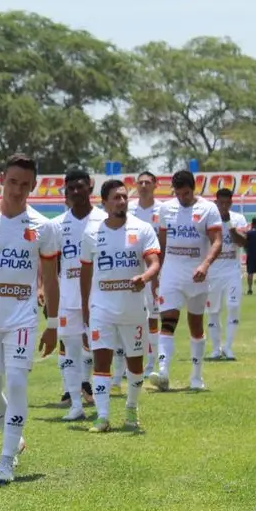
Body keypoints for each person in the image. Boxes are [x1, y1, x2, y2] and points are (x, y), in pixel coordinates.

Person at [0, 153, 59, 484]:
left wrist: (53, 324)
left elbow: (50, 277)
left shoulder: (42, 227)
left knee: (17, 382)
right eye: (13, 182)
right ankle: (15, 441)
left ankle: (5, 460)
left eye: (25, 185)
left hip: (22, 318)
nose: (18, 190)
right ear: (1, 179)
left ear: (34, 186)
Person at [79, 179, 161, 432]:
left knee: (135, 365)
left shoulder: (143, 228)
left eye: (124, 197)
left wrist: (144, 278)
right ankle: (102, 416)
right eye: (116, 197)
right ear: (104, 203)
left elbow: (155, 262)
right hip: (102, 308)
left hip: (134, 309)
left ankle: (131, 408)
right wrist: (85, 308)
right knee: (101, 360)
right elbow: (85, 273)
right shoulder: (92, 233)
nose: (122, 201)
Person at [149, 170, 223, 392]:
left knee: (196, 326)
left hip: (197, 275)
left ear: (195, 188)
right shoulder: (166, 209)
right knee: (168, 321)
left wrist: (205, 264)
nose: (183, 198)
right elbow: (161, 245)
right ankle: (163, 372)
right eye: (178, 193)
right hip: (172, 273)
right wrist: (155, 274)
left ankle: (196, 377)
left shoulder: (208, 209)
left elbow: (217, 241)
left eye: (187, 193)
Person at [52, 169, 107, 421]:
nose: (75, 191)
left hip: (100, 297)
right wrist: (50, 296)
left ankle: (101, 399)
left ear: (90, 188)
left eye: (80, 186)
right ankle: (76, 404)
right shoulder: (57, 225)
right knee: (71, 351)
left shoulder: (104, 221)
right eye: (70, 187)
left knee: (98, 350)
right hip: (68, 299)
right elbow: (53, 264)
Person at [128, 171, 164, 376]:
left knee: (153, 318)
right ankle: (129, 364)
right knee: (131, 316)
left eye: (147, 182)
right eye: (140, 182)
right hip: (131, 270)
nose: (143, 186)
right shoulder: (129, 209)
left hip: (154, 271)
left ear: (155, 185)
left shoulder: (162, 210)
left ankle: (152, 364)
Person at [206, 188, 249, 360]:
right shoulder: (209, 218)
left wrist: (229, 224)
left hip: (232, 271)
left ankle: (228, 348)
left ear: (231, 203)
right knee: (213, 311)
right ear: (216, 202)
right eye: (221, 203)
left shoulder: (238, 218)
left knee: (233, 307)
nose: (224, 206)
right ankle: (216, 349)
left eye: (227, 203)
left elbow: (242, 242)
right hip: (213, 273)